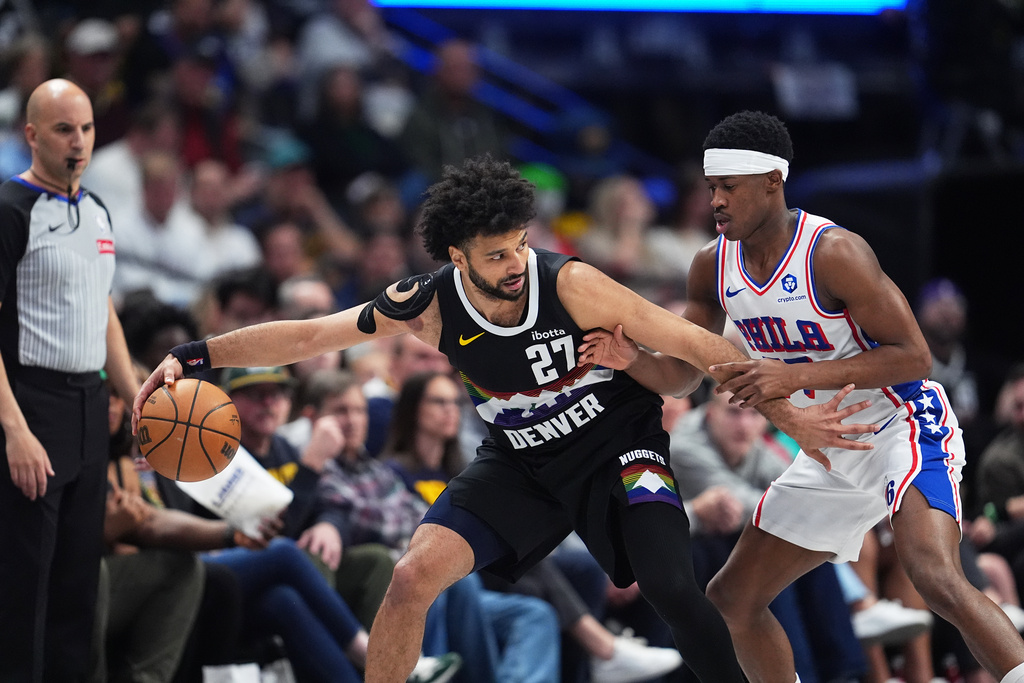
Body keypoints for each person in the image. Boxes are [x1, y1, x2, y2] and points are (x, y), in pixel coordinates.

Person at [132, 155, 877, 683]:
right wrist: (197, 355)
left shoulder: (573, 283)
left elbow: (696, 344)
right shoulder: (425, 304)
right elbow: (308, 335)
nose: (517, 260)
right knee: (410, 575)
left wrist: (792, 415)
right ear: (457, 255)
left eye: (520, 243)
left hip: (619, 445)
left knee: (671, 586)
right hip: (521, 460)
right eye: (497, 253)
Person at [578, 110, 1024, 683]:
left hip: (900, 424)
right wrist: (634, 360)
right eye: (712, 189)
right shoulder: (711, 266)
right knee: (733, 599)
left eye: (729, 189)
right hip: (825, 449)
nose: (716, 201)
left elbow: (915, 357)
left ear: (772, 183)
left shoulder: (833, 252)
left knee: (935, 575)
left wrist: (788, 378)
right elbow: (687, 375)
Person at [0, 78, 140, 681]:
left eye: (84, 128)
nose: (77, 141)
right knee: (25, 587)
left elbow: (100, 303)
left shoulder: (97, 208)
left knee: (77, 585)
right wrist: (14, 430)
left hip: (89, 405)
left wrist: (134, 394)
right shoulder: (11, 209)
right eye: (63, 129)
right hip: (31, 401)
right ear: (31, 135)